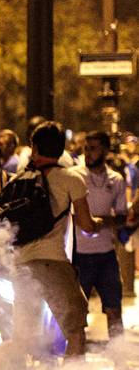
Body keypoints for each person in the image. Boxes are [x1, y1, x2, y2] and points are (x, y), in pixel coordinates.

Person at [6, 121, 100, 359]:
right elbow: (86, 226)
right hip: (53, 263)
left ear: (34, 148)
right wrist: (100, 223)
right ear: (61, 148)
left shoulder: (18, 180)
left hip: (21, 266)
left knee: (20, 342)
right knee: (76, 333)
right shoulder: (71, 178)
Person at [73, 131, 128, 340]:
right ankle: (75, 362)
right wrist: (84, 220)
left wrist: (102, 222)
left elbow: (122, 216)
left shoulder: (116, 179)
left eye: (94, 148)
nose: (88, 152)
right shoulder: (75, 175)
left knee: (113, 310)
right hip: (79, 254)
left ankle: (119, 360)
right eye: (86, 148)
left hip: (106, 255)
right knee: (77, 314)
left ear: (105, 150)